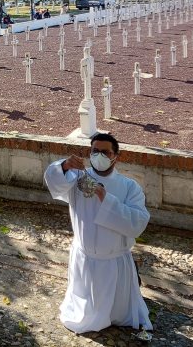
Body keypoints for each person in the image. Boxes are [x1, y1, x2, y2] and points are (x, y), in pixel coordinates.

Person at [43, 133, 151, 334]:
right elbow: (54, 182)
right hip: (85, 256)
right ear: (89, 153)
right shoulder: (77, 178)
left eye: (105, 152)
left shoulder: (129, 186)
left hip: (114, 259)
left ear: (115, 156)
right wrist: (65, 166)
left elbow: (138, 222)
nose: (99, 155)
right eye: (95, 151)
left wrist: (105, 198)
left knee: (117, 312)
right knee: (85, 307)